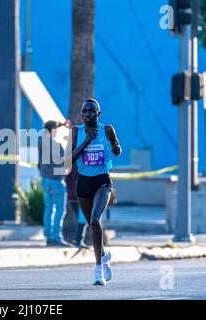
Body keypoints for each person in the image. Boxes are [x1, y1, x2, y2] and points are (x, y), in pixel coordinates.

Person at [71, 98, 122, 286]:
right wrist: (86, 141)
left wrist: (116, 148)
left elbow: (117, 150)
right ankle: (104, 254)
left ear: (98, 114)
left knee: (94, 220)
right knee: (93, 226)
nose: (88, 114)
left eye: (92, 111)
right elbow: (68, 160)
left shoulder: (107, 129)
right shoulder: (75, 132)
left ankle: (98, 269)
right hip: (83, 183)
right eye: (85, 111)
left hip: (102, 181)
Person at [38, 120, 70, 247]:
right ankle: (56, 237)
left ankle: (48, 237)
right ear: (53, 131)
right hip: (57, 181)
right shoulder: (57, 145)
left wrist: (60, 124)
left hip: (45, 180)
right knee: (59, 211)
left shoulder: (41, 142)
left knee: (48, 210)